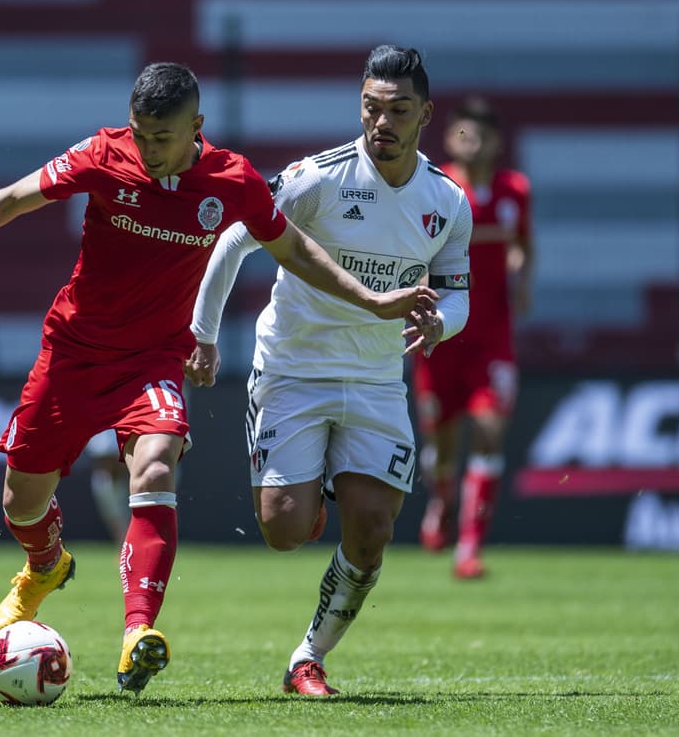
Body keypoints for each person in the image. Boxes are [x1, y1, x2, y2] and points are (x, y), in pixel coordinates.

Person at [0, 62, 436, 694]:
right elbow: (11, 199)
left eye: (162, 138)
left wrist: (372, 299)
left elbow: (294, 249)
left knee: (158, 465)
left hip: (153, 360)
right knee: (20, 504)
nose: (147, 150)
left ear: (196, 127)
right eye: (141, 134)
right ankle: (45, 564)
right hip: (73, 353)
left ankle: (137, 634)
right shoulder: (102, 154)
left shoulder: (232, 179)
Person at [187, 46, 471, 696]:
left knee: (372, 531)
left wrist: (439, 323)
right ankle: (313, 493)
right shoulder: (320, 177)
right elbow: (236, 236)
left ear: (424, 114)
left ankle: (308, 656)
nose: (383, 121)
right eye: (372, 107)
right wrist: (203, 332)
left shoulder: (447, 200)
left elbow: (457, 292)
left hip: (375, 377)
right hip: (294, 367)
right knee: (286, 529)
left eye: (399, 109)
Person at [411, 96, 533, 580]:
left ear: (498, 142)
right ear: (449, 138)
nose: (473, 142)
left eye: (481, 134)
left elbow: (525, 244)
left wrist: (522, 276)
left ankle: (469, 548)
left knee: (488, 428)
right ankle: (441, 501)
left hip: (491, 338)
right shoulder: (437, 187)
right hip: (441, 334)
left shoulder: (515, 190)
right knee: (442, 442)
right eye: (464, 133)